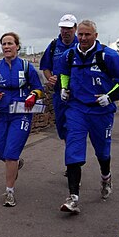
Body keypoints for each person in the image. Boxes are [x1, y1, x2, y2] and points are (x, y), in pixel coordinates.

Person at [57, 20, 119, 214]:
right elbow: (64, 74)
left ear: (95, 36)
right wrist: (64, 89)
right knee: (73, 149)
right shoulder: (70, 55)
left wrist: (110, 97)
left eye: (87, 35)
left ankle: (106, 176)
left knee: (102, 152)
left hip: (101, 112)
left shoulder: (108, 56)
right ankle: (73, 197)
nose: (83, 38)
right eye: (80, 34)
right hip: (77, 109)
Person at [0, 32, 44, 207]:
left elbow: (39, 88)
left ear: (17, 46)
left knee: (10, 154)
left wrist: (33, 96)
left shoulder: (26, 67)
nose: (6, 47)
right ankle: (15, 163)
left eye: (10, 43)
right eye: (4, 44)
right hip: (1, 114)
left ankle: (9, 192)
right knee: (2, 153)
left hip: (21, 114)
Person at [40, 14, 78, 176]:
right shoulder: (54, 45)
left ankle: (73, 165)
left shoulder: (81, 44)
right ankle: (72, 159)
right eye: (63, 28)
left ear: (75, 29)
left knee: (75, 130)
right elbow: (45, 67)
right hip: (59, 96)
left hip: (77, 97)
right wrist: (51, 79)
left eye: (69, 28)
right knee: (63, 131)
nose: (65, 31)